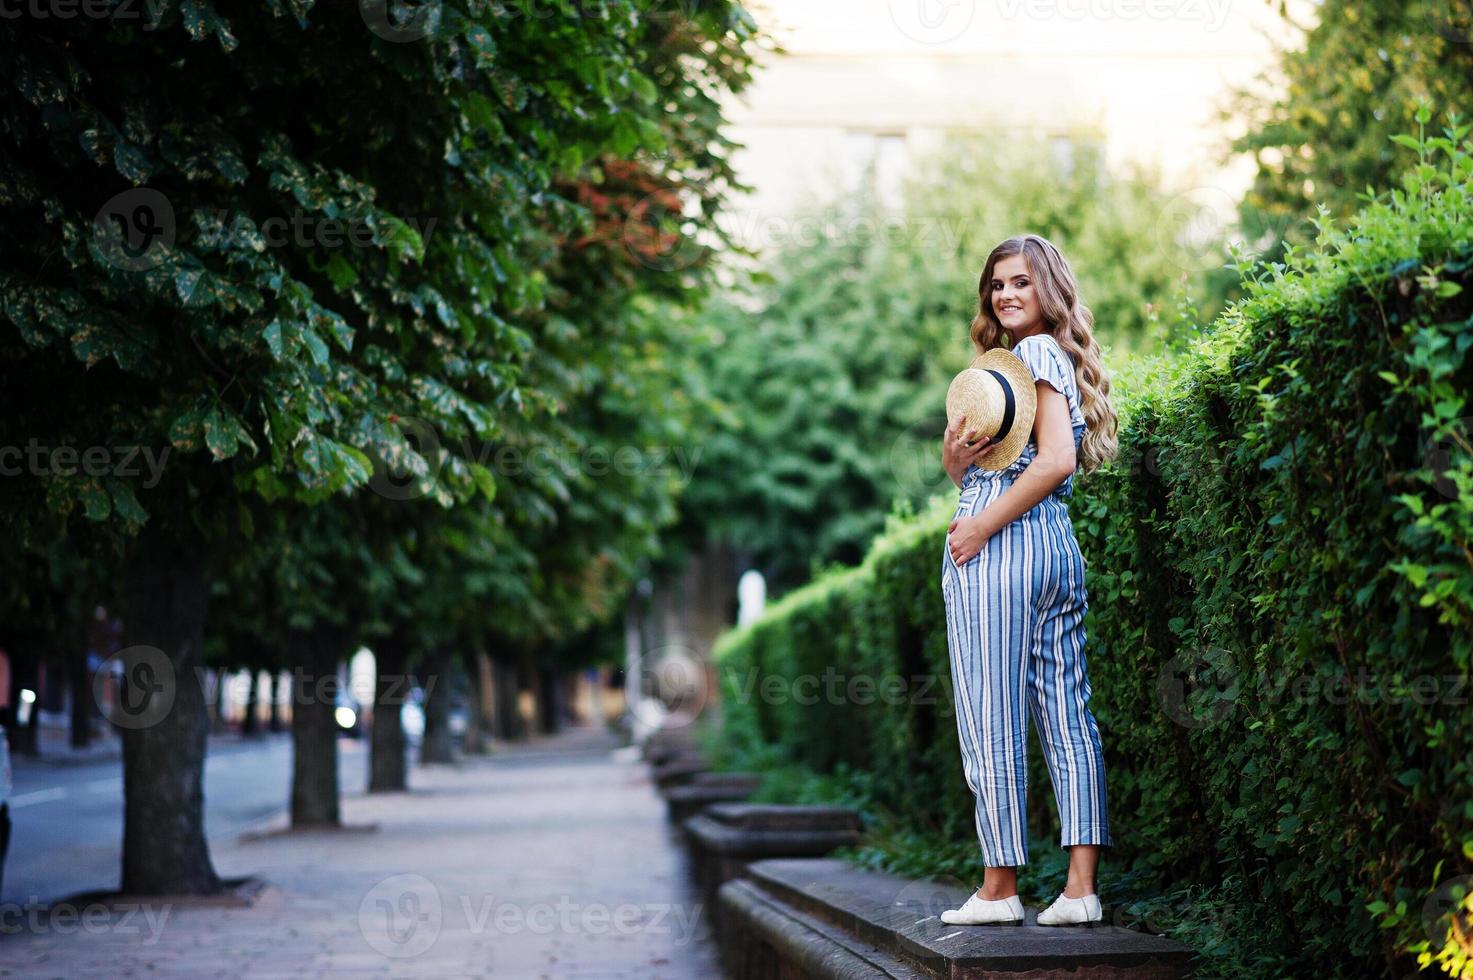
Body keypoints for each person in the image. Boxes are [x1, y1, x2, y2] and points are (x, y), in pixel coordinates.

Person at [938, 234, 1121, 927]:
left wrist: (980, 528)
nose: (1006, 294)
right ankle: (1080, 891)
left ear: (1047, 288)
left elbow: (1055, 462)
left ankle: (998, 888)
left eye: (1020, 282)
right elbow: (975, 473)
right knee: (1067, 718)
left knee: (992, 718)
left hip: (1001, 550)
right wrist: (959, 455)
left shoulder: (1032, 354)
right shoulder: (1015, 371)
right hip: (1052, 549)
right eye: (996, 285)